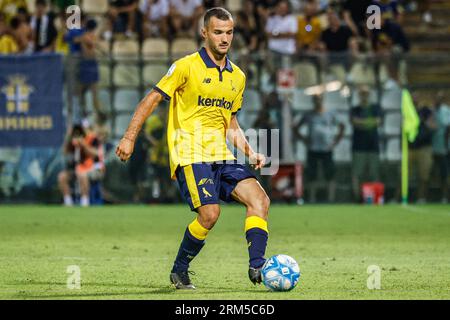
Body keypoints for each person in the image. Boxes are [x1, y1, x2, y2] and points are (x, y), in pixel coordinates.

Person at [116, 7, 270, 290]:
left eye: (229, 32)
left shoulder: (238, 76)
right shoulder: (185, 66)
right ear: (204, 33)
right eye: (218, 32)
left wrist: (250, 152)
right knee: (210, 214)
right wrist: (129, 137)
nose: (224, 38)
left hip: (222, 155)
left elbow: (230, 123)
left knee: (260, 201)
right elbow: (151, 100)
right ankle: (179, 270)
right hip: (190, 154)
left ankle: (258, 267)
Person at [293, 94, 345, 203]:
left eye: (319, 99)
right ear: (313, 101)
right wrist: (304, 139)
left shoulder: (330, 114)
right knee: (312, 175)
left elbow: (342, 126)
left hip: (327, 149)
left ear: (323, 100)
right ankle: (312, 199)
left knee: (330, 174)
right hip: (313, 149)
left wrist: (335, 142)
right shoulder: (308, 115)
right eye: (316, 100)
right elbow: (296, 127)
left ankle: (331, 199)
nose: (318, 102)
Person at [58, 123, 105, 207]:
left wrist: (83, 144)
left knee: (82, 174)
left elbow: (95, 154)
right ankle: (68, 202)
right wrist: (68, 137)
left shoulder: (93, 139)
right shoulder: (73, 140)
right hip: (77, 169)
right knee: (62, 176)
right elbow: (64, 152)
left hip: (94, 169)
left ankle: (84, 202)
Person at [350, 86, 383, 202]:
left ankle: (374, 198)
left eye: (366, 93)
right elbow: (354, 122)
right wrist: (370, 122)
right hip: (358, 146)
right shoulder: (355, 109)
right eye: (362, 93)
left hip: (373, 146)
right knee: (357, 174)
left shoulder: (375, 108)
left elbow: (378, 122)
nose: (364, 95)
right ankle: (358, 198)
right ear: (359, 95)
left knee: (374, 173)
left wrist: (362, 123)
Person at [408, 100, 436, 203]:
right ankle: (398, 197)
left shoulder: (426, 111)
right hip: (411, 147)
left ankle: (422, 197)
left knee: (424, 175)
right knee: (404, 174)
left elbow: (433, 126)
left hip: (424, 148)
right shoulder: (407, 112)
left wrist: (423, 121)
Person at [431, 92, 450, 203]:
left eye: (440, 98)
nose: (437, 100)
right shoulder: (433, 111)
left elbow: (448, 127)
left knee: (445, 173)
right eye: (436, 98)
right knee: (439, 173)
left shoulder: (446, 110)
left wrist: (445, 145)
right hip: (435, 147)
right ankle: (443, 196)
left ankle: (445, 196)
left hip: (445, 147)